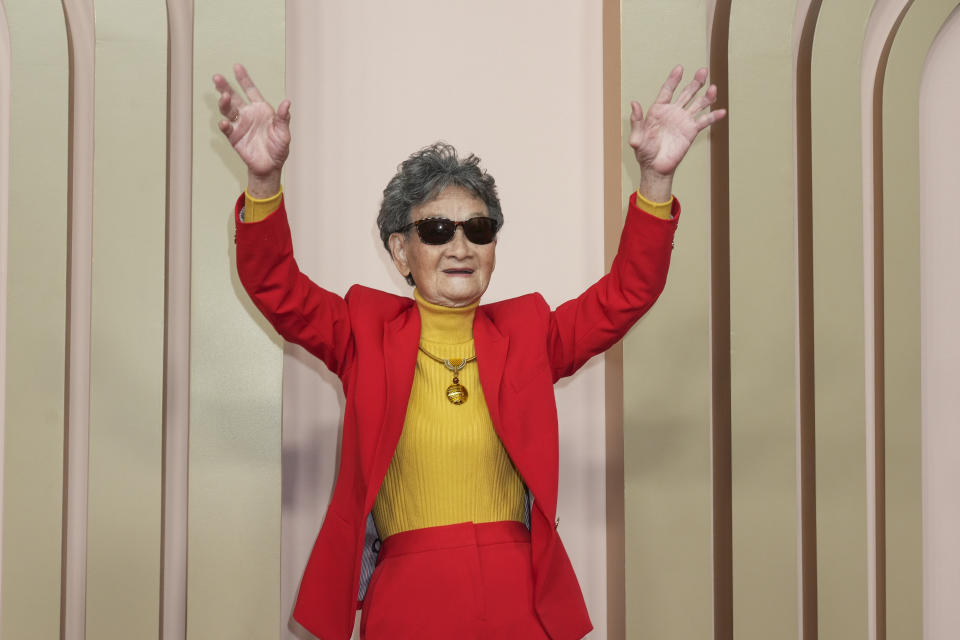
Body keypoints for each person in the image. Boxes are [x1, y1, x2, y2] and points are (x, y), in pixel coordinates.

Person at [213, 63, 724, 640]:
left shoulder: (529, 331)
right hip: (407, 600)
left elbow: (628, 292)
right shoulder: (362, 328)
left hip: (520, 599)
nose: (460, 246)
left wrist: (656, 182)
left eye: (478, 229)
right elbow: (275, 287)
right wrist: (263, 183)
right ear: (400, 251)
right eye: (436, 231)